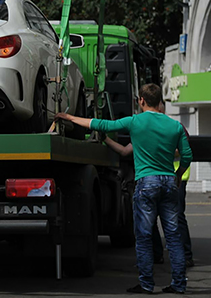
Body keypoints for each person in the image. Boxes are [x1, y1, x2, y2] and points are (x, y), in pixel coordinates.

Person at [57, 83, 192, 294]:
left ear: (141, 101)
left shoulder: (135, 121)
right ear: (160, 103)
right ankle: (179, 284)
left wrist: (71, 118)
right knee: (173, 236)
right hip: (168, 183)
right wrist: (177, 175)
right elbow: (187, 156)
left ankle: (147, 284)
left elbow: (103, 125)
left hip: (146, 183)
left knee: (144, 235)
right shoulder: (175, 126)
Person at [104, 135, 194, 268]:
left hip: (172, 177)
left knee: (176, 217)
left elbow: (182, 151)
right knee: (150, 218)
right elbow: (124, 151)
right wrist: (105, 138)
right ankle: (157, 255)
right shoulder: (144, 129)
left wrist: (152, 149)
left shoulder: (174, 127)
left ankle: (185, 257)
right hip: (153, 179)